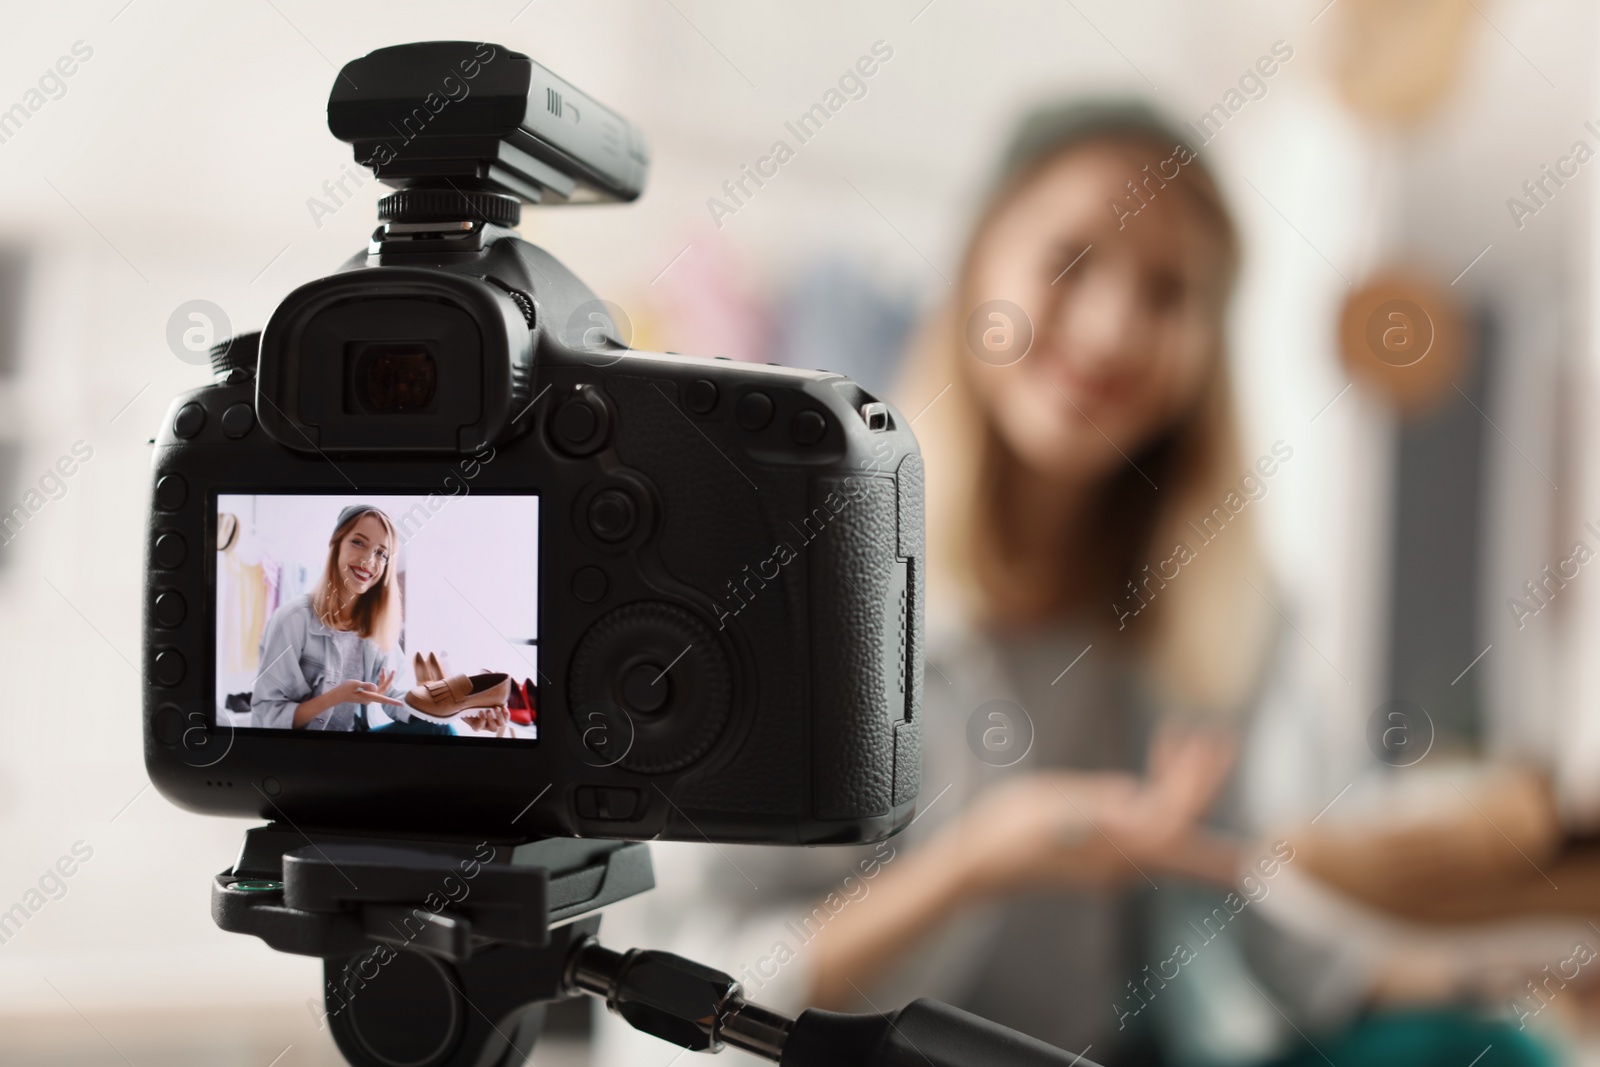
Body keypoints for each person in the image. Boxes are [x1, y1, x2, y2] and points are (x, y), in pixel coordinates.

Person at [594, 102, 1551, 1067]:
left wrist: (1514, 962)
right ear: (977, 270)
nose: (1109, 330)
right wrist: (978, 863)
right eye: (1069, 261)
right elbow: (667, 1021)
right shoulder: (790, 580)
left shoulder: (1224, 618)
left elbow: (1310, 965)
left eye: (1170, 293)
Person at [250, 503, 510, 735]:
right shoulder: (292, 620)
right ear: (336, 544)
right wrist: (336, 696)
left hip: (360, 748)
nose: (368, 560)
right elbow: (266, 718)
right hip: (306, 755)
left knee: (439, 731)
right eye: (358, 542)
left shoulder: (377, 626)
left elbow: (397, 698)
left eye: (381, 553)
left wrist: (461, 714)